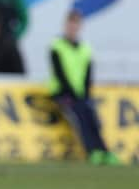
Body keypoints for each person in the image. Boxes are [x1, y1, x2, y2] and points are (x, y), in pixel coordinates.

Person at [49, 9, 119, 165]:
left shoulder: (85, 49)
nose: (72, 28)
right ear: (65, 25)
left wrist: (85, 95)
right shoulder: (57, 46)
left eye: (75, 25)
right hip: (63, 93)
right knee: (80, 119)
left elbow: (88, 76)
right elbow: (60, 74)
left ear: (80, 26)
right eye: (70, 24)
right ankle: (91, 151)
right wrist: (74, 94)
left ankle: (104, 151)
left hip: (80, 95)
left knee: (93, 118)